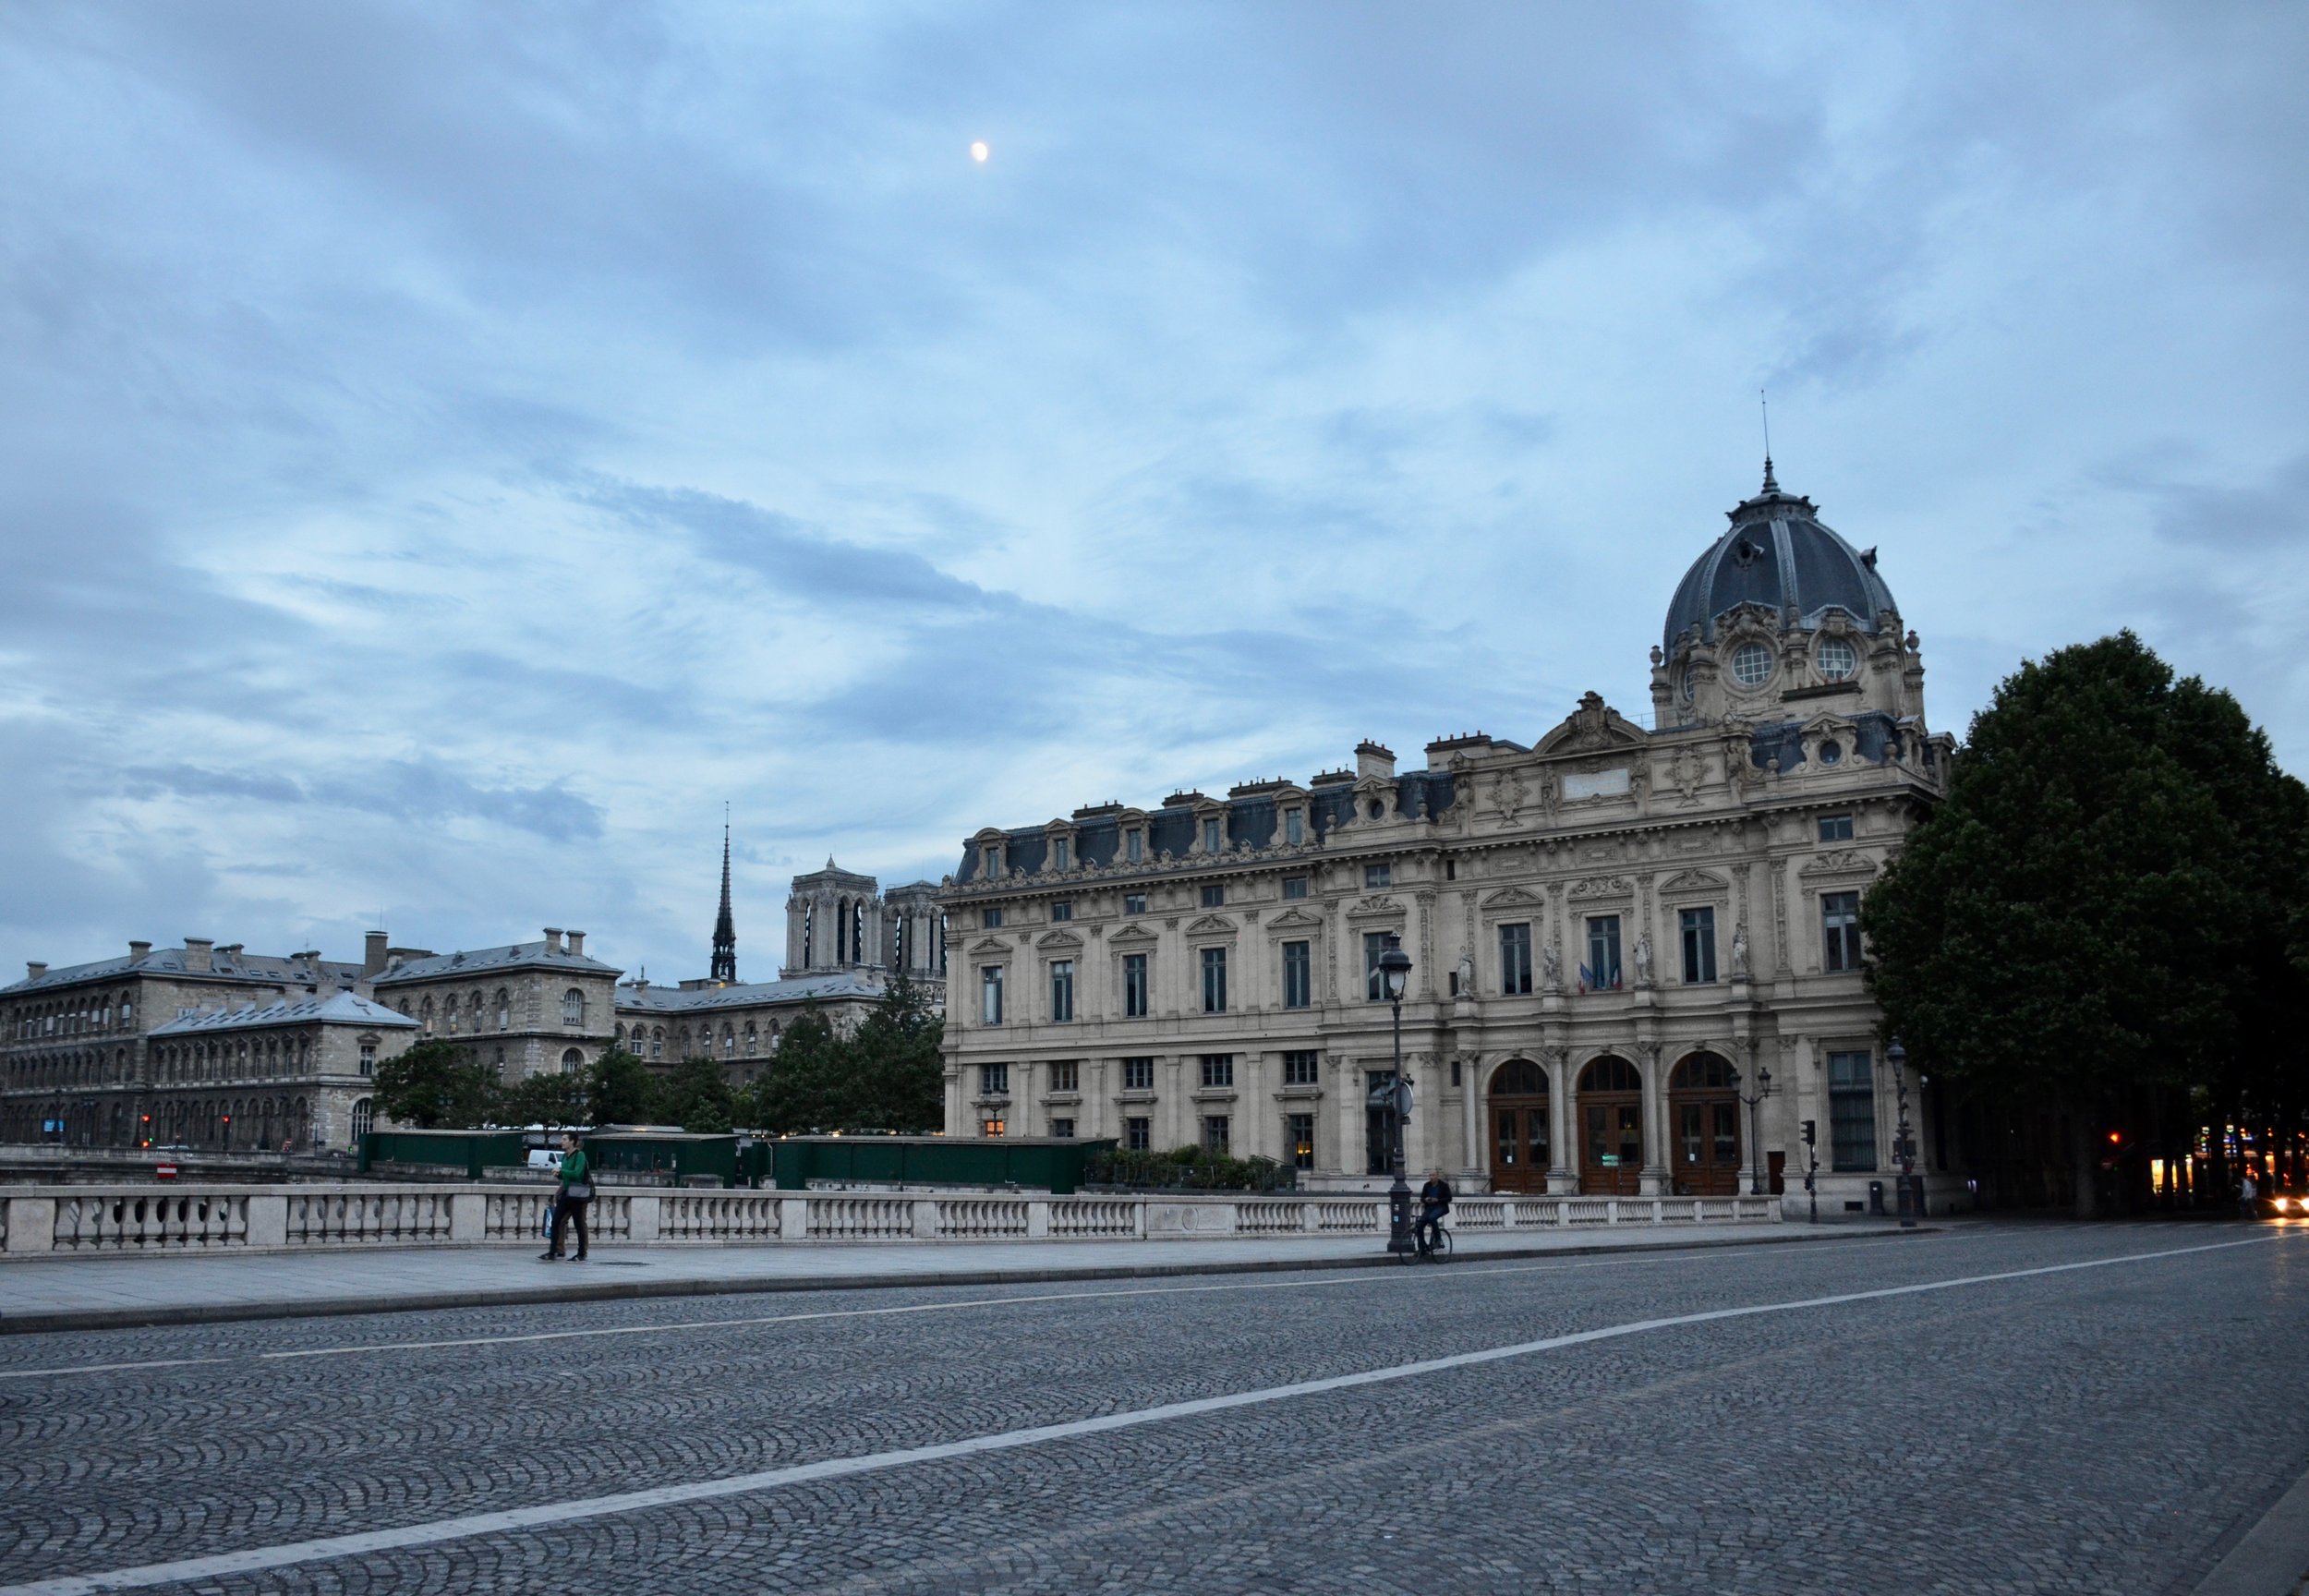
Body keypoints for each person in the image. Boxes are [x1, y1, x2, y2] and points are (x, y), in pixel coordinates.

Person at [541, 1131, 591, 1262]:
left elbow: (577, 1173)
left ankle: (581, 1253)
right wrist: (559, 1175)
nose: (561, 1142)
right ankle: (553, 1251)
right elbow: (567, 1176)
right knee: (556, 1221)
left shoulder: (579, 1155)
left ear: (572, 1141)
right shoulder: (564, 1156)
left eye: (564, 1139)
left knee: (579, 1224)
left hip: (578, 1195)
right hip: (567, 1193)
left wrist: (562, 1171)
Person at [1417, 1169, 1454, 1254]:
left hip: (1441, 1207)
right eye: (1430, 1175)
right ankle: (1422, 1247)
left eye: (1433, 1175)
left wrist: (1438, 1200)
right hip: (1430, 1207)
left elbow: (1449, 1198)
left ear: (1437, 1176)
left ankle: (1438, 1239)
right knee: (1419, 1225)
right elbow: (1422, 1198)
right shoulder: (1426, 1185)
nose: (1431, 1177)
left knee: (1432, 1218)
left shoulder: (1444, 1185)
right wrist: (1425, 1199)